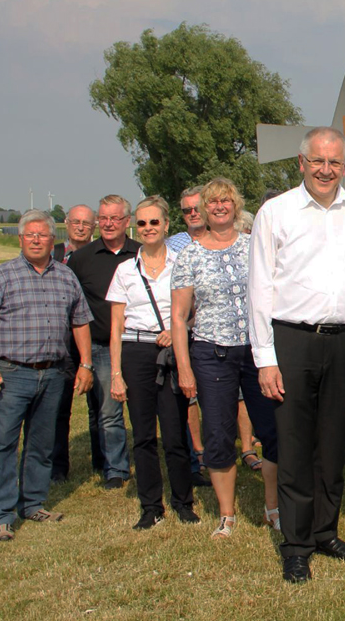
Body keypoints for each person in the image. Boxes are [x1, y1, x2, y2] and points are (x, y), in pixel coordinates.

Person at [249, 126, 345, 583]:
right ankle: (296, 544)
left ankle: (326, 532)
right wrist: (265, 358)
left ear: (344, 166)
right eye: (318, 161)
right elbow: (259, 289)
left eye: (335, 162)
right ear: (301, 162)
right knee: (293, 443)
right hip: (292, 339)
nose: (326, 170)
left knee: (333, 442)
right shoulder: (277, 212)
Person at [0, 210, 94, 542]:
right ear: (21, 239)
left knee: (41, 445)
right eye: (30, 235)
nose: (36, 240)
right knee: (4, 445)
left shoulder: (65, 277)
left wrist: (85, 364)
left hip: (53, 374)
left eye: (43, 235)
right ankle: (0, 514)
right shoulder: (0, 276)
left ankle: (34, 503)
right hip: (12, 374)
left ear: (53, 240)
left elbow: (80, 322)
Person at [171, 178, 279, 539]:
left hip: (257, 351)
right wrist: (184, 367)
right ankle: (227, 515)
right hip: (211, 353)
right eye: (212, 202)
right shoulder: (190, 254)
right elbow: (179, 315)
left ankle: (272, 507)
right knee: (218, 435)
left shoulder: (254, 246)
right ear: (202, 209)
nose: (218, 207)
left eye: (225, 201)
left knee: (272, 431)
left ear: (236, 206)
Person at [107, 196, 197, 529]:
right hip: (136, 352)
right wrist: (116, 374)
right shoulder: (124, 271)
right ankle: (150, 506)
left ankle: (183, 501)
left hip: (172, 353)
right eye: (142, 223)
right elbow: (116, 327)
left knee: (175, 432)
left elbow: (194, 314)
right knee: (143, 434)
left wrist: (177, 332)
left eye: (154, 222)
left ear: (166, 225)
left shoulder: (182, 263)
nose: (148, 229)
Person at [66, 195, 137, 488]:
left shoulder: (140, 253)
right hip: (95, 344)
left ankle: (119, 466)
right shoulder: (81, 259)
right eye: (103, 218)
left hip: (128, 342)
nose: (108, 224)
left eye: (114, 218)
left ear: (126, 222)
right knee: (102, 409)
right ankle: (108, 465)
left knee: (121, 409)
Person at [50, 203, 102, 483]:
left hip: (94, 339)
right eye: (75, 222)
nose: (80, 227)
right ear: (66, 224)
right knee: (59, 407)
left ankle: (101, 460)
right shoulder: (53, 254)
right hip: (60, 342)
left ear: (93, 227)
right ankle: (58, 466)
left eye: (86, 223)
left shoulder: (99, 254)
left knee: (99, 406)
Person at [164, 186, 210, 487]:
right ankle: (197, 454)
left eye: (196, 208)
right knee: (188, 397)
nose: (192, 213)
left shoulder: (222, 238)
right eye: (186, 209)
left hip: (211, 329)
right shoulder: (172, 247)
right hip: (181, 328)